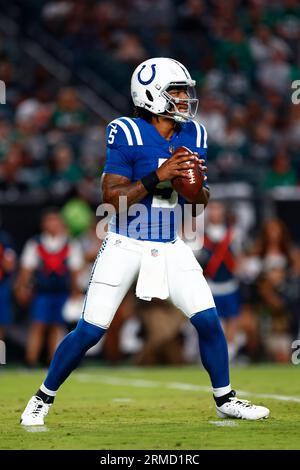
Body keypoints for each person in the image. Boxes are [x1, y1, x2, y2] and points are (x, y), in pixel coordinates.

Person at [21, 57, 269, 425]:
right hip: (124, 242)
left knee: (209, 321)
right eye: (176, 91)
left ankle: (225, 398)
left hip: (169, 243)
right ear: (151, 95)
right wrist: (158, 175)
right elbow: (111, 200)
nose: (184, 99)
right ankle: (42, 397)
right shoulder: (125, 131)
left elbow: (198, 203)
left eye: (185, 91)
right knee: (89, 330)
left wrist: (196, 186)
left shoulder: (194, 134)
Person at [15, 208, 84, 367]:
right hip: (42, 292)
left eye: (55, 220)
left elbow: (75, 270)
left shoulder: (70, 243)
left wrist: (76, 292)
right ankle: (30, 360)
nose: (52, 224)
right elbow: (26, 269)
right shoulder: (35, 243)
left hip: (62, 292)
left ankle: (53, 361)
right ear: (43, 224)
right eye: (49, 221)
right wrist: (22, 288)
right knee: (38, 325)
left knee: (57, 327)